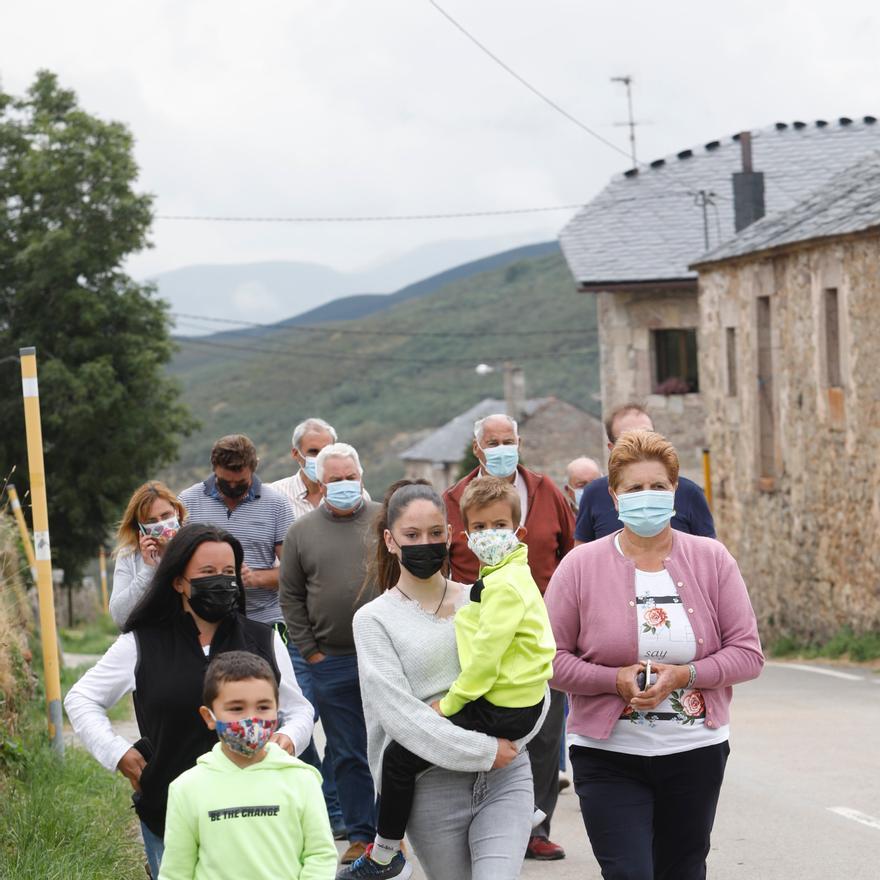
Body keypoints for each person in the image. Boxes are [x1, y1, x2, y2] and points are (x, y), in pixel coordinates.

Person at [545, 430, 764, 880]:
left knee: (681, 871)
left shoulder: (712, 559)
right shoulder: (579, 566)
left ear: (676, 492)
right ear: (613, 495)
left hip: (694, 753)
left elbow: (747, 654)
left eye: (658, 487)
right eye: (634, 488)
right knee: (628, 873)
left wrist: (686, 675)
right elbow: (549, 660)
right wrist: (614, 680)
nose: (647, 497)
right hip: (606, 754)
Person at [64, 523, 314, 879]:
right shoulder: (142, 644)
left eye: (229, 572)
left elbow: (299, 709)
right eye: (207, 572)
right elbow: (81, 698)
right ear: (179, 581)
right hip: (169, 812)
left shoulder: (263, 640)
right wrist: (117, 753)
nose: (221, 580)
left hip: (258, 812)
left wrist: (288, 739)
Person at [340, 477, 554, 880]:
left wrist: (514, 743)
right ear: (390, 540)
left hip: (506, 775)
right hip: (431, 786)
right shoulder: (373, 620)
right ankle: (385, 854)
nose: (426, 542)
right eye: (412, 534)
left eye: (436, 533)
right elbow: (400, 718)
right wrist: (484, 750)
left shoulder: (486, 596)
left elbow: (532, 678)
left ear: (452, 535)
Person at [443, 413, 573, 860]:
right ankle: (484, 825)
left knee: (543, 736)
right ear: (477, 449)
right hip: (479, 630)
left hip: (539, 629)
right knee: (482, 742)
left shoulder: (546, 490)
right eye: (492, 441)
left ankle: (534, 828)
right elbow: (442, 562)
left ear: (519, 442)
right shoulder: (455, 497)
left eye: (508, 440)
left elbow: (571, 552)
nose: (501, 447)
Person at [279, 442, 379, 866]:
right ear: (320, 482)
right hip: (331, 660)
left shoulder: (383, 521)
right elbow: (291, 597)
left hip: (384, 658)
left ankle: (393, 833)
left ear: (361, 474)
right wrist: (310, 652)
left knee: (391, 747)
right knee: (347, 751)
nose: (343, 484)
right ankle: (360, 835)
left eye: (349, 477)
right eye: (334, 479)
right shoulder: (302, 533)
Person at [158, 651, 338, 880]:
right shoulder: (186, 788)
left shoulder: (302, 780)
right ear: (209, 716)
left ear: (277, 710)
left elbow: (320, 855)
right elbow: (176, 870)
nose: (251, 719)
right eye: (236, 708)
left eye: (263, 707)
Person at [269, 418, 352, 839]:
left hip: (346, 640)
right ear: (297, 454)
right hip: (297, 634)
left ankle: (337, 811)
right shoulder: (278, 499)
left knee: (342, 728)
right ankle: (317, 800)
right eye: (313, 451)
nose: (320, 459)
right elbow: (283, 575)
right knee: (301, 719)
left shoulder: (354, 495)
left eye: (327, 449)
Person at [179, 434, 295, 629]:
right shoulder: (188, 501)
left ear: (254, 467)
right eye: (224, 481)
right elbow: (176, 563)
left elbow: (295, 571)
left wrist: (254, 578)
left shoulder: (277, 504)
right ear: (213, 468)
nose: (232, 487)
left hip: (262, 620)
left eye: (241, 482)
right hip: (201, 621)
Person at [575, 404, 715, 544]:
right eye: (628, 439)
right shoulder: (593, 494)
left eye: (648, 435)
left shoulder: (691, 493)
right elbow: (581, 553)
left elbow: (708, 555)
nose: (640, 443)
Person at [109, 481, 187, 627]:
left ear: (176, 511)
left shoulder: (194, 545)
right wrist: (148, 570)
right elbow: (119, 617)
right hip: (146, 636)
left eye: (165, 515)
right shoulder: (129, 556)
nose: (161, 523)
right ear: (140, 526)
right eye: (152, 521)